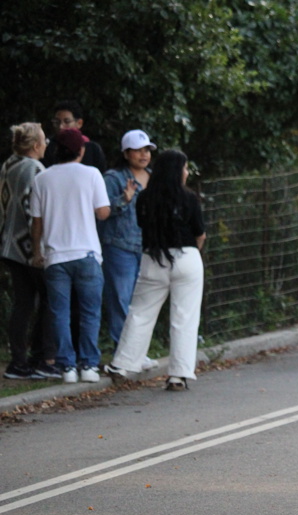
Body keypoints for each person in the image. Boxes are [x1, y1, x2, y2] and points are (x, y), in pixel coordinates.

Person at [104, 150, 205, 390]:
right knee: (184, 318)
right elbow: (200, 233)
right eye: (185, 168)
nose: (186, 172)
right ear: (177, 171)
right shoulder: (189, 198)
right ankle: (179, 374)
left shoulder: (144, 198)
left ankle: (123, 364)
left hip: (153, 258)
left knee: (140, 312)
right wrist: (193, 254)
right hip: (186, 258)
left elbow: (143, 226)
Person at [29, 128, 110, 383]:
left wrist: (37, 252)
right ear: (80, 151)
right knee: (90, 313)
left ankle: (67, 368)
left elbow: (36, 223)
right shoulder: (92, 174)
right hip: (87, 254)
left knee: (59, 313)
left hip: (55, 257)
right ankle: (89, 365)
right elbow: (103, 212)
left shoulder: (42, 179)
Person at [0, 123, 60, 379]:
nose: (47, 144)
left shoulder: (8, 164)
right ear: (36, 145)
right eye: (44, 140)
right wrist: (40, 248)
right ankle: (42, 358)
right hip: (29, 246)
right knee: (48, 299)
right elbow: (34, 212)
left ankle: (18, 362)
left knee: (22, 304)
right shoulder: (35, 169)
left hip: (9, 244)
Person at [101, 130, 157, 364]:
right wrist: (124, 200)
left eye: (147, 150)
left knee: (143, 301)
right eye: (137, 150)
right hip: (118, 246)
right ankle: (124, 353)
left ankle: (138, 351)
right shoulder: (113, 178)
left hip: (148, 247)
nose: (144, 155)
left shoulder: (154, 177)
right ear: (126, 153)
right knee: (120, 300)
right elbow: (102, 212)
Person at [43, 100, 107, 173]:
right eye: (57, 122)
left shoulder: (93, 149)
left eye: (67, 122)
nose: (61, 126)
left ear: (79, 123)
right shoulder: (47, 147)